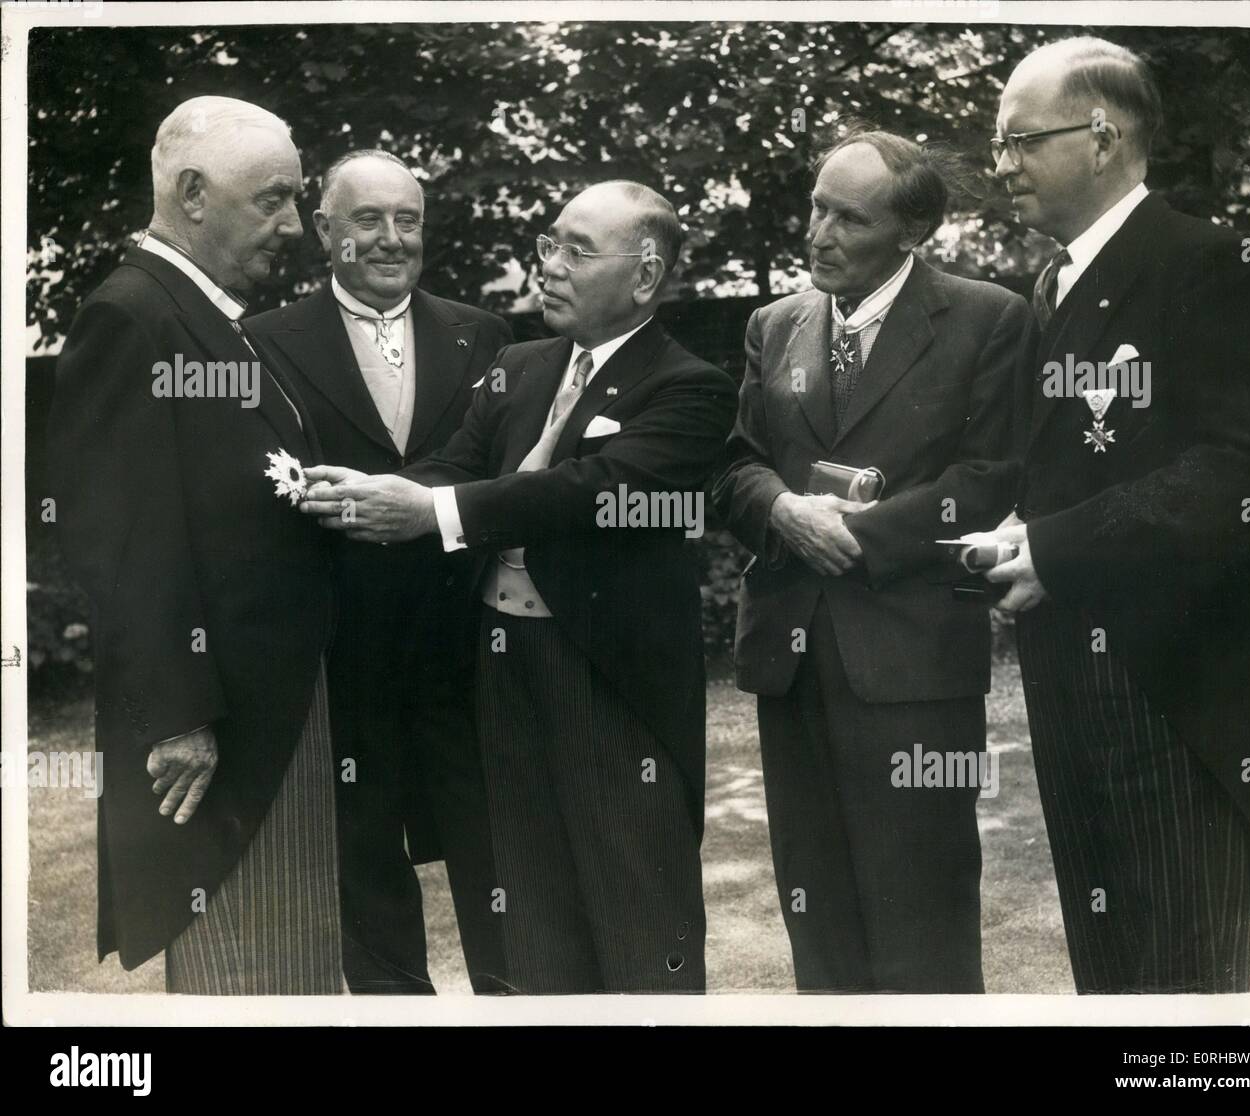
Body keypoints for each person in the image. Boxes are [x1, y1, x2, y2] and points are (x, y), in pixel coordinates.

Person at [298, 181, 738, 993]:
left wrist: (429, 510)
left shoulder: (690, 387)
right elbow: (457, 468)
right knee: (529, 909)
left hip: (608, 685)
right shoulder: (519, 366)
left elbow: (594, 491)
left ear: (645, 278)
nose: (551, 266)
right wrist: (365, 492)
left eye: (578, 250)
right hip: (498, 673)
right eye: (549, 244)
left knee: (636, 911)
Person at [984, 36, 1250, 992]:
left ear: (1102, 137)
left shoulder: (1213, 262)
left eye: (1021, 140)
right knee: (1110, 980)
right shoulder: (1053, 285)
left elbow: (1238, 473)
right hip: (1070, 683)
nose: (1002, 165)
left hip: (1172, 693)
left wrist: (1054, 549)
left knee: (1182, 986)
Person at [712, 126, 1032, 993]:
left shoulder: (989, 317)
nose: (818, 232)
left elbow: (993, 476)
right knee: (817, 922)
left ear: (910, 231)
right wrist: (780, 508)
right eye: (816, 208)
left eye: (847, 219)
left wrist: (859, 534)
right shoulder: (772, 325)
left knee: (921, 921)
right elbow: (733, 465)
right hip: (791, 660)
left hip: (916, 668)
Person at [48, 96, 342, 993]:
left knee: (289, 967)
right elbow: (115, 540)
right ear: (192, 194)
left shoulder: (202, 314)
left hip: (276, 710)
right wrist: (176, 717)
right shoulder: (133, 317)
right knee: (247, 974)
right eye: (273, 200)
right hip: (224, 733)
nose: (295, 225)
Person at [245, 151, 511, 994]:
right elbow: (258, 489)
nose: (392, 239)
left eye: (408, 220)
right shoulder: (261, 342)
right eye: (369, 220)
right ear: (325, 231)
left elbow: (504, 477)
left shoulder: (485, 333)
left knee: (493, 848)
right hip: (339, 650)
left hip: (462, 645)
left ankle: (515, 1003)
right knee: (362, 857)